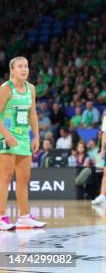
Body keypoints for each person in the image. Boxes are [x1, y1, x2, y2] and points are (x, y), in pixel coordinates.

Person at [0, 57, 46, 230]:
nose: (24, 69)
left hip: (23, 136)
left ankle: (24, 217)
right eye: (20, 66)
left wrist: (36, 137)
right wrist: (6, 135)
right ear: (12, 70)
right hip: (6, 135)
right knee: (5, 177)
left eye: (26, 66)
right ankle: (1, 217)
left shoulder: (31, 88)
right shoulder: (5, 89)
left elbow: (32, 114)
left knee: (24, 178)